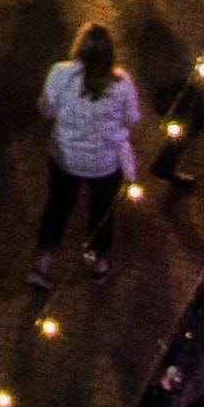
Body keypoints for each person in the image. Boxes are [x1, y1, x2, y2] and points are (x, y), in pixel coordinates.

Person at [32, 22, 142, 285]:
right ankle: (99, 263)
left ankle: (43, 266)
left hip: (66, 157)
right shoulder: (122, 83)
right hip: (104, 162)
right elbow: (133, 118)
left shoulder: (60, 73)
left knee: (58, 207)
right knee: (101, 211)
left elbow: (47, 110)